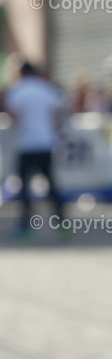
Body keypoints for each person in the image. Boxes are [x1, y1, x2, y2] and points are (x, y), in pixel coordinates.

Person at [6, 61, 67, 235]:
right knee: (51, 185)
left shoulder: (17, 91)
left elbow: (13, 117)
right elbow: (56, 116)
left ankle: (25, 227)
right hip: (45, 143)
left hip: (26, 144)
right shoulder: (46, 89)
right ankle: (61, 223)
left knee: (25, 188)